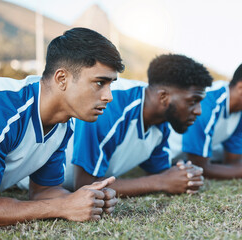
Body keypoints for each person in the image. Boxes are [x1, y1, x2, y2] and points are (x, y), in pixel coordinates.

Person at [0, 27, 125, 226]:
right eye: (100, 83)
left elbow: (43, 191)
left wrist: (88, 198)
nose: (109, 96)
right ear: (62, 79)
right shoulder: (2, 109)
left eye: (110, 84)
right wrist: (62, 207)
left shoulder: (63, 124)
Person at [63, 54, 213, 197]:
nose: (199, 111)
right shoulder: (110, 106)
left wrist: (183, 175)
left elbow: (161, 173)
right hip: (48, 189)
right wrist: (161, 182)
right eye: (193, 101)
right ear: (163, 97)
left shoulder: (161, 123)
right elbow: (86, 186)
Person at [168, 60, 242, 180]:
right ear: (241, 88)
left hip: (182, 162)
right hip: (163, 162)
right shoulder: (208, 104)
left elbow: (235, 162)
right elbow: (200, 167)